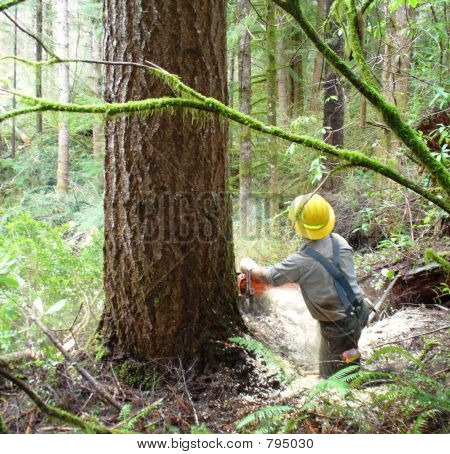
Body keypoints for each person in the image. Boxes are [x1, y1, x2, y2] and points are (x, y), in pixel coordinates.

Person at [239, 193, 373, 378]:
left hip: (339, 325)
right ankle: (339, 366)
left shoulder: (302, 261)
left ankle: (350, 378)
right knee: (338, 355)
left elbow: (269, 276)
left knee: (339, 378)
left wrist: (250, 266)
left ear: (298, 225)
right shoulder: (338, 241)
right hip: (359, 310)